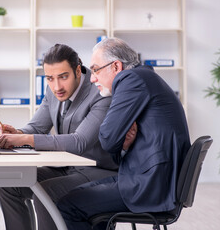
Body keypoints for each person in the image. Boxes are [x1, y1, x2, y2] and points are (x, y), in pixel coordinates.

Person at [57, 37, 191, 230]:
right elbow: (114, 141)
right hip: (151, 180)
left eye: (95, 69)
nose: (92, 78)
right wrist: (125, 145)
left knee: (68, 205)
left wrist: (117, 141)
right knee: (75, 195)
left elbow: (108, 138)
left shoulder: (130, 79)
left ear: (116, 66)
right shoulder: (144, 77)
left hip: (149, 186)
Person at [0, 44, 131, 230]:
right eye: (50, 78)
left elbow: (79, 141)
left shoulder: (100, 92)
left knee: (45, 194)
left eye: (63, 77)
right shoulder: (53, 90)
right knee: (8, 183)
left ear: (77, 71)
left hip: (99, 170)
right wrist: (18, 134)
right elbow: (37, 126)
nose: (56, 86)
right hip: (66, 167)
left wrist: (25, 140)